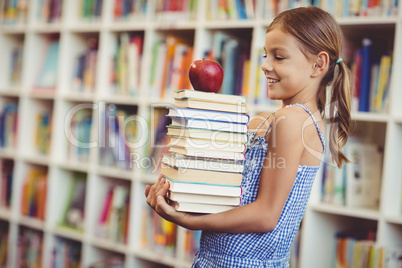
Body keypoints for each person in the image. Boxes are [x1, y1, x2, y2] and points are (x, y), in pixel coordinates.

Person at [145, 6, 353, 267]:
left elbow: (265, 215)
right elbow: (233, 197)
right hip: (212, 259)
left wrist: (189, 221)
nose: (265, 66)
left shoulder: (293, 122)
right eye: (266, 55)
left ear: (318, 64)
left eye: (279, 57)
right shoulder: (264, 120)